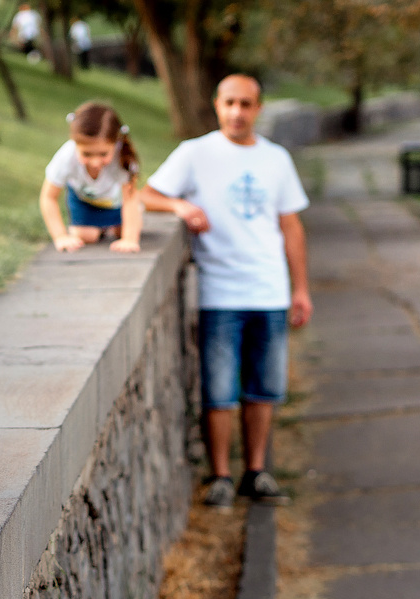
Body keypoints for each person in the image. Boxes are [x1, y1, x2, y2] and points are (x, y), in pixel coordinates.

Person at [140, 74, 312, 509]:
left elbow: (291, 227)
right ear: (217, 105)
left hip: (270, 291)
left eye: (247, 104)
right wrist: (180, 205)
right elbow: (146, 194)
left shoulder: (276, 159)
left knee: (264, 388)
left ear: (258, 108)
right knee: (219, 391)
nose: (237, 112)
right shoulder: (196, 154)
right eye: (230, 103)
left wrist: (301, 289)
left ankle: (256, 472)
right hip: (220, 293)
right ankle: (220, 475)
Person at [40, 101, 142, 253]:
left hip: (115, 202)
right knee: (85, 236)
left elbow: (130, 200)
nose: (95, 162)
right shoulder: (66, 157)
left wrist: (130, 239)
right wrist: (60, 236)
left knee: (125, 230)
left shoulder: (123, 158)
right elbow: (48, 198)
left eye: (103, 154)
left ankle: (111, 226)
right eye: (87, 154)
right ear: (75, 143)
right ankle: (98, 228)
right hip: (83, 201)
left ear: (116, 143)